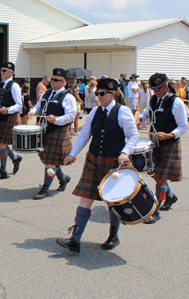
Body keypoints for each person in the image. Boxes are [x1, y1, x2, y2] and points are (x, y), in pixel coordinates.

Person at [56, 78, 139, 253]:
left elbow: (133, 136)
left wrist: (125, 153)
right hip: (93, 160)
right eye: (97, 93)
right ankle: (75, 240)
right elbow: (85, 135)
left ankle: (113, 235)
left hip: (113, 161)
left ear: (112, 94)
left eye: (102, 94)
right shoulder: (94, 112)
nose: (98, 96)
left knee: (114, 201)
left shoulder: (123, 112)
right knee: (85, 199)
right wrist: (72, 154)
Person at [136, 73, 188, 222]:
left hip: (169, 144)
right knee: (154, 174)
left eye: (158, 89)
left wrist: (170, 135)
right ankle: (170, 196)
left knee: (160, 178)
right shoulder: (154, 99)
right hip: (155, 143)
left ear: (166, 85)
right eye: (153, 89)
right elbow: (147, 112)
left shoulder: (176, 102)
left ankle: (157, 208)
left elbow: (184, 126)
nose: (155, 92)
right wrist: (139, 119)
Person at [28, 68, 76, 199]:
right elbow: (39, 106)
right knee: (48, 160)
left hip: (58, 130)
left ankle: (45, 189)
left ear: (64, 82)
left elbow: (71, 115)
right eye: (52, 80)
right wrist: (33, 111)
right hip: (44, 129)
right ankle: (63, 178)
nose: (52, 82)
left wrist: (57, 120)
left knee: (49, 161)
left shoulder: (68, 97)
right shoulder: (47, 93)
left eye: (56, 80)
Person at [0, 62, 23, 180]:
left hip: (10, 117)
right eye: (1, 70)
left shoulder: (14, 86)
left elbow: (19, 105)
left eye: (4, 71)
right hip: (0, 116)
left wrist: (8, 110)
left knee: (2, 143)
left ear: (11, 72)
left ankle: (3, 171)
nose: (1, 73)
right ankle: (15, 158)